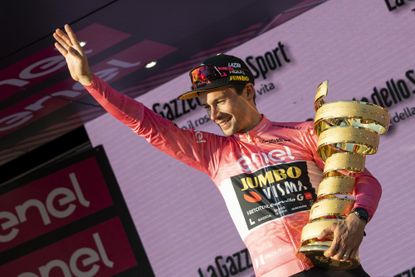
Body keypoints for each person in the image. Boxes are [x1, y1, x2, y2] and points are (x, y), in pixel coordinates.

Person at [53, 24, 381, 277]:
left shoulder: (304, 133)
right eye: (207, 106)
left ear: (248, 91)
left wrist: (357, 218)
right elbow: (147, 125)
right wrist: (90, 82)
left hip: (338, 265)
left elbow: (364, 181)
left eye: (220, 100)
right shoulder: (214, 154)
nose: (213, 114)